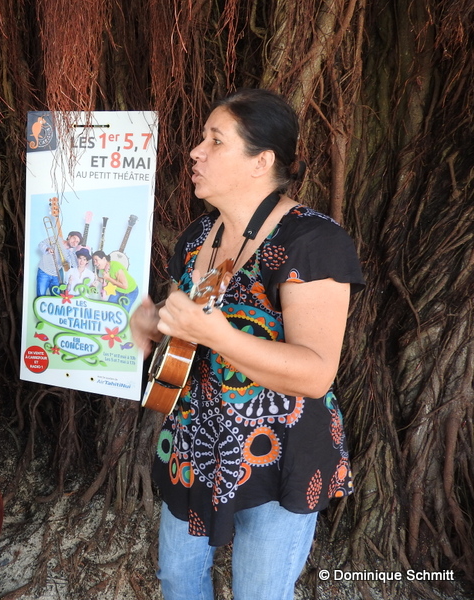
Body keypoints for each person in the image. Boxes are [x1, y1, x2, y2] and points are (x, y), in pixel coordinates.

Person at [130, 88, 364, 600]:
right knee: (177, 580)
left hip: (277, 453)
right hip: (194, 445)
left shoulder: (312, 242)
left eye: (216, 141)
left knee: (260, 592)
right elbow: (187, 342)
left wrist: (219, 336)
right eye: (202, 139)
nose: (195, 152)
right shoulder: (197, 238)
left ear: (262, 162)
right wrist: (153, 330)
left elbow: (316, 372)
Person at [36, 230, 80, 296]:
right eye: (74, 238)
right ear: (69, 237)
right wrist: (48, 249)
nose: (74, 242)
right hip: (44, 272)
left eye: (77, 242)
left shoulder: (70, 253)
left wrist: (71, 252)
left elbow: (74, 266)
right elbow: (41, 244)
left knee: (56, 297)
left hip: (56, 275)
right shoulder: (56, 238)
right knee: (41, 296)